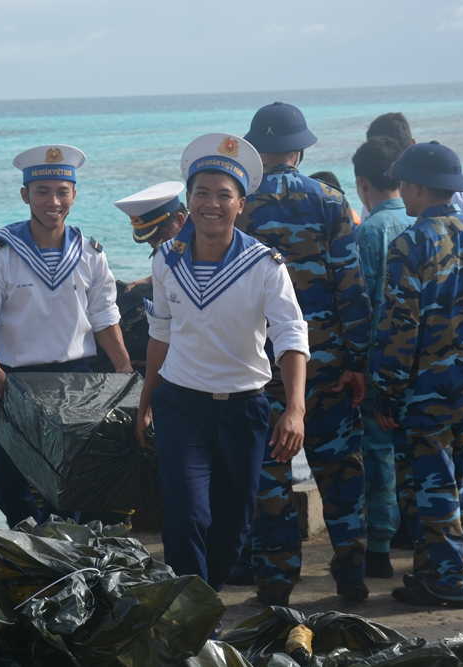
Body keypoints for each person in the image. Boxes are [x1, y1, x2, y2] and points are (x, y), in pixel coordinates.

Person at [135, 132, 309, 592]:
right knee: (186, 518)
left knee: (232, 529)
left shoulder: (264, 266)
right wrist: (146, 399)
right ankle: (193, 619)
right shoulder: (166, 261)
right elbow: (160, 333)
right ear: (188, 200)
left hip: (243, 409)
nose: (211, 204)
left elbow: (291, 334)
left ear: (240, 204)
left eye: (223, 195)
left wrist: (295, 408)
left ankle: (203, 599)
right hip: (181, 406)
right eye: (201, 193)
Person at [232, 102, 372, 605]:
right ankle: (351, 574)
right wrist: (357, 362)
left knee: (269, 478)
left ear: (255, 150)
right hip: (328, 365)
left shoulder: (239, 203)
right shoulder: (331, 201)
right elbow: (351, 288)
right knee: (341, 471)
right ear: (300, 150)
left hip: (262, 365)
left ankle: (275, 584)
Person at [372, 141, 463, 608]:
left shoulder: (411, 243)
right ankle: (433, 572)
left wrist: (387, 391)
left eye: (403, 184)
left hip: (425, 391)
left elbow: (400, 328)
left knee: (430, 488)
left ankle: (451, 582)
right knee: (457, 486)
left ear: (415, 187)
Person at [0, 144, 133, 527]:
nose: (52, 202)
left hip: (74, 380)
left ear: (74, 195)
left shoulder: (91, 254)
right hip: (15, 381)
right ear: (25, 195)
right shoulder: (0, 254)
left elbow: (105, 317)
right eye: (42, 191)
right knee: (6, 480)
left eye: (62, 192)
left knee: (69, 479)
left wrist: (124, 370)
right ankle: (35, 538)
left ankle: (58, 547)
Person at [350, 136, 414, 578]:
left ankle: (379, 549)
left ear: (362, 183)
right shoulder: (419, 222)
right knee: (416, 456)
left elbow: (362, 309)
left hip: (377, 366)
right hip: (419, 366)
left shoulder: (369, 232)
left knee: (377, 457)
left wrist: (358, 366)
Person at [115, 181, 188, 290]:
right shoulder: (172, 246)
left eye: (158, 237)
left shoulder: (206, 238)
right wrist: (148, 281)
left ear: (179, 220)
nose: (154, 245)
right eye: (149, 241)